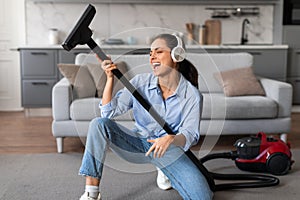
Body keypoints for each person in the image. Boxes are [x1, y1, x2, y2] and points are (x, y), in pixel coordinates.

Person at [78, 33, 213, 200]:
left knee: (202, 197)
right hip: (137, 143)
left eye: (158, 52)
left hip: (168, 150)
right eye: (150, 53)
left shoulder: (192, 95)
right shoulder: (140, 82)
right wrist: (110, 78)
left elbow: (190, 135)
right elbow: (108, 113)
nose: (152, 57)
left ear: (176, 55)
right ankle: (91, 193)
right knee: (98, 124)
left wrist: (171, 139)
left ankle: (164, 168)